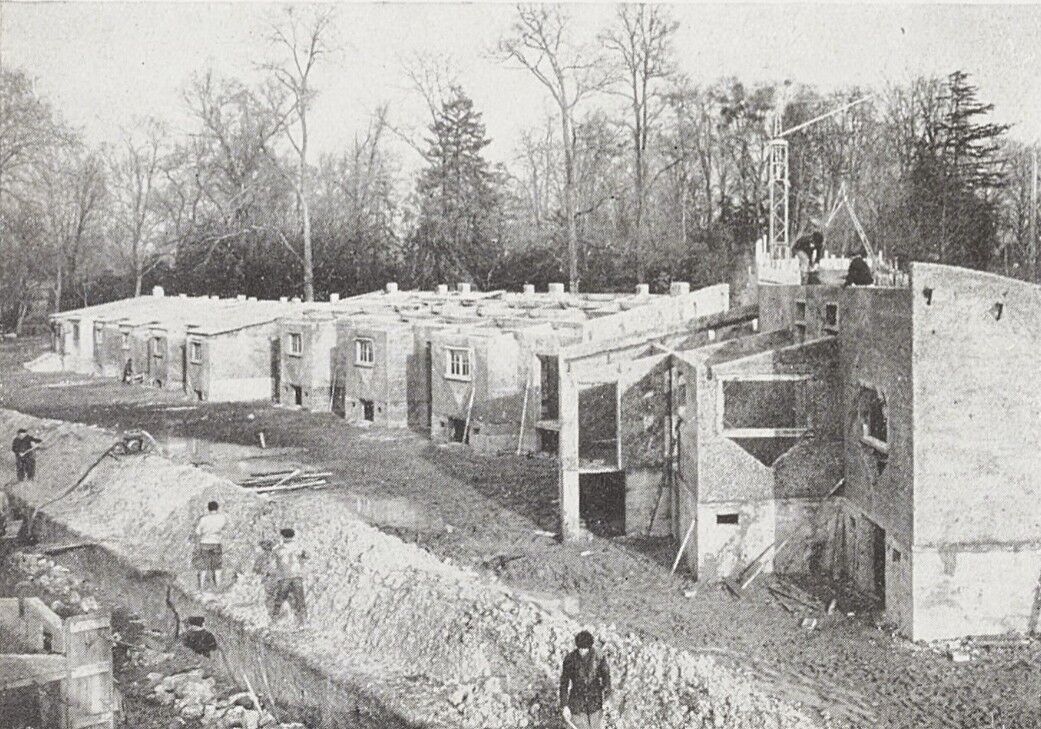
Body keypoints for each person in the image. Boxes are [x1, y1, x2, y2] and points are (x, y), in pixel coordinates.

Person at [559, 630, 611, 729]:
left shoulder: (599, 657)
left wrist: (607, 698)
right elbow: (564, 683)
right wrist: (564, 705)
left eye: (585, 649)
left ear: (589, 647)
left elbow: (606, 679)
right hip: (577, 704)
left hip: (595, 703)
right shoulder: (570, 659)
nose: (582, 651)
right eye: (580, 648)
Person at [270, 527, 308, 625]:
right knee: (300, 599)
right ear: (293, 536)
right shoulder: (298, 547)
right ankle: (303, 620)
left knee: (280, 598)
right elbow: (306, 556)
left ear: (282, 536)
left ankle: (275, 618)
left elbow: (272, 565)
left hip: (284, 577)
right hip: (296, 575)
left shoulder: (277, 549)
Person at [193, 501, 227, 592]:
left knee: (203, 567)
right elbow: (224, 528)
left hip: (204, 543)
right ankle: (218, 587)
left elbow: (197, 532)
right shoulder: (222, 518)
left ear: (208, 508)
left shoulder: (204, 519)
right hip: (216, 543)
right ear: (217, 508)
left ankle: (201, 588)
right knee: (217, 567)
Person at [252, 538, 278, 615]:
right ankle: (271, 615)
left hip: (276, 579)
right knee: (269, 598)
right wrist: (263, 572)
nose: (267, 549)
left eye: (268, 546)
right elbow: (255, 569)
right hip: (267, 580)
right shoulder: (260, 558)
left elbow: (282, 567)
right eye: (265, 547)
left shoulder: (276, 556)